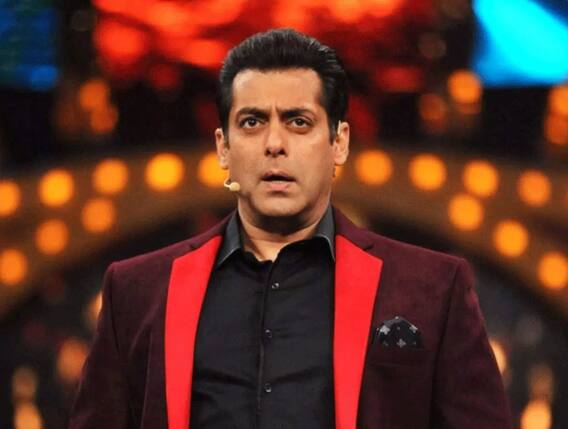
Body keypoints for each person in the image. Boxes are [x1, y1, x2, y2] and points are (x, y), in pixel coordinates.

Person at [69, 28, 512, 429]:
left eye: (299, 122)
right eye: (252, 122)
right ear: (223, 147)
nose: (275, 144)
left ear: (339, 142)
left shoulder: (432, 288)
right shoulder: (138, 291)